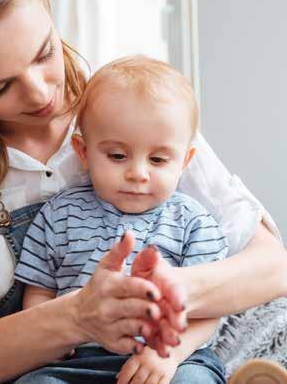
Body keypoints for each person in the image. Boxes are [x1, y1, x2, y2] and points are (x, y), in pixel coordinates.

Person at [0, 0, 287, 384]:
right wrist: (74, 318)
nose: (39, 95)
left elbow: (274, 268)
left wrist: (172, 293)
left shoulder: (129, 107)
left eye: (44, 53)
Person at [15, 56, 228, 383]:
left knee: (193, 380)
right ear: (83, 152)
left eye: (157, 159)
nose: (137, 173)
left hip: (169, 358)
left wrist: (166, 356)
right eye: (117, 156)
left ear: (184, 161)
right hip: (78, 361)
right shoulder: (59, 213)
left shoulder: (193, 221)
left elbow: (208, 311)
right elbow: (39, 289)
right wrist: (51, 343)